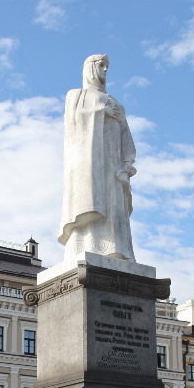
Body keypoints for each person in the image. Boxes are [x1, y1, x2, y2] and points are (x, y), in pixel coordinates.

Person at [59, 53, 137, 262]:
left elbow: (125, 135)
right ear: (90, 68)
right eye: (101, 65)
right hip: (90, 161)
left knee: (113, 203)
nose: (105, 70)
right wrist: (100, 109)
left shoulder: (117, 104)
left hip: (113, 165)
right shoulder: (76, 96)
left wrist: (128, 161)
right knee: (93, 198)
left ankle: (117, 249)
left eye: (106, 66)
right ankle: (85, 246)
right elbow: (74, 123)